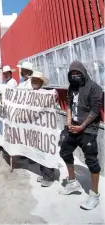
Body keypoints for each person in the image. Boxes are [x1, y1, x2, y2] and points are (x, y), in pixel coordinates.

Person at [59, 61, 103, 210]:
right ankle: (72, 182)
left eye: (78, 73)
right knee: (64, 151)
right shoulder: (72, 87)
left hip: (88, 129)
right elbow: (69, 104)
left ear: (84, 73)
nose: (75, 76)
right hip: (74, 126)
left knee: (91, 161)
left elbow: (95, 110)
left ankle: (94, 195)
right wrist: (69, 120)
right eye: (72, 74)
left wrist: (82, 126)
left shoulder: (94, 88)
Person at [30, 71, 55, 187]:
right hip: (35, 128)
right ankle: (44, 173)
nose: (33, 82)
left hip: (45, 129)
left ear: (41, 82)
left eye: (36, 81)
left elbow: (54, 97)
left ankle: (49, 177)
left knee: (46, 152)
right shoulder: (29, 94)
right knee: (39, 152)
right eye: (32, 80)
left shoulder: (45, 94)